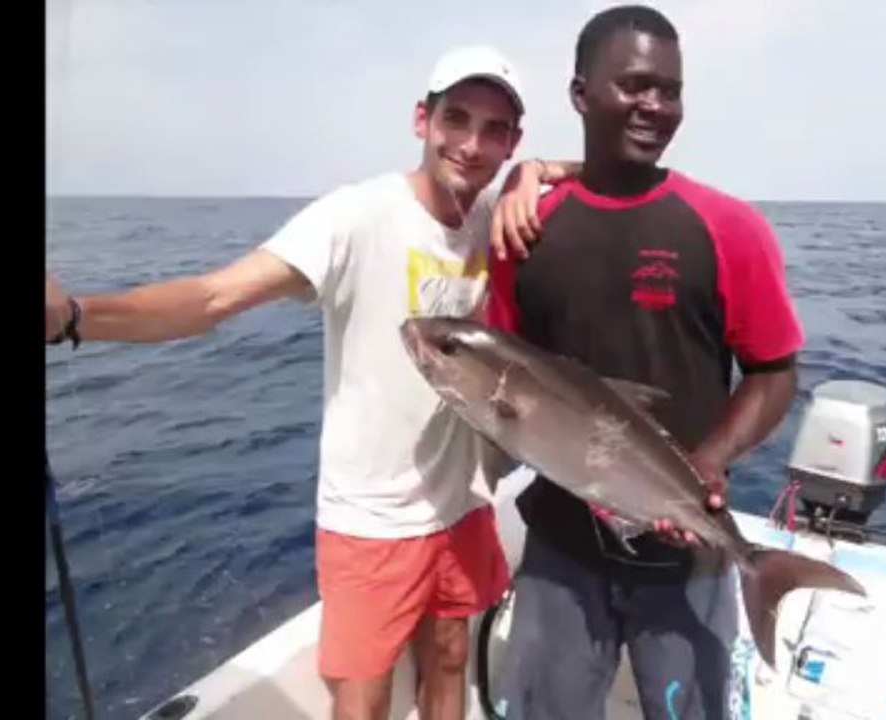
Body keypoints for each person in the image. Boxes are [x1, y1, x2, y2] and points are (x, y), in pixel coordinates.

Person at [45, 45, 579, 720]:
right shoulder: (354, 217)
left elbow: (614, 176)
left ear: (511, 143)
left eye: (495, 131)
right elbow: (212, 298)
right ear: (422, 119)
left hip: (464, 501)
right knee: (361, 699)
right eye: (456, 119)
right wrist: (76, 317)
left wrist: (536, 172)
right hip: (372, 520)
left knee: (449, 656)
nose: (472, 145)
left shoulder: (492, 215)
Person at [484, 6, 805, 720]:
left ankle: (760, 578)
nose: (654, 105)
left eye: (670, 90)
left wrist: (709, 460)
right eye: (633, 85)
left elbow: (775, 371)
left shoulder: (730, 228)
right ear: (580, 94)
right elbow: (505, 372)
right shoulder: (524, 229)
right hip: (560, 551)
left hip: (687, 555)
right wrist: (522, 174)